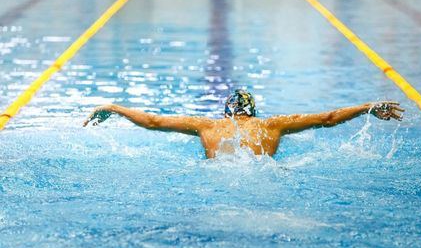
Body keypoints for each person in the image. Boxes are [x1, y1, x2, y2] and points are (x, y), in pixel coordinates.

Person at [83, 89, 404, 158]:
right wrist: (367, 107)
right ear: (253, 111)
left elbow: (153, 122)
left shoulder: (207, 126)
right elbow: (328, 118)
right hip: (265, 184)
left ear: (227, 113)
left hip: (218, 185)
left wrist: (114, 107)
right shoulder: (273, 125)